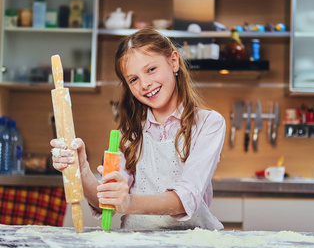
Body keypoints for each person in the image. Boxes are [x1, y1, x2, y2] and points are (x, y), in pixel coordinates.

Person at [50, 28, 226, 230]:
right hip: (137, 244)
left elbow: (187, 196)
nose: (145, 84)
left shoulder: (209, 124)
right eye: (133, 79)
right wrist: (81, 169)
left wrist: (128, 203)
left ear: (173, 62)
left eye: (151, 69)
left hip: (193, 244)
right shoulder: (130, 135)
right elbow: (106, 202)